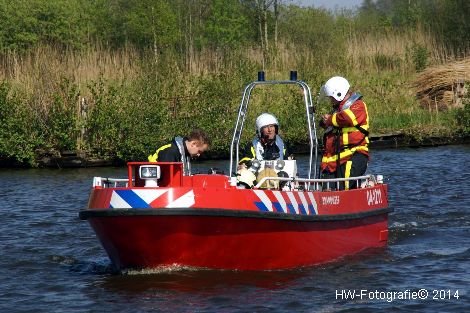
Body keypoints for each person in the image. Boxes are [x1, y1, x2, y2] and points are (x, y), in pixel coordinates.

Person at [319, 76, 369, 190]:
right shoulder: (337, 110)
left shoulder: (358, 105)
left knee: (346, 187)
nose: (330, 100)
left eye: (331, 97)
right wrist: (325, 121)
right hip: (334, 160)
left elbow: (347, 118)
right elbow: (329, 124)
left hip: (353, 155)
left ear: (338, 94)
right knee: (328, 190)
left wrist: (330, 119)